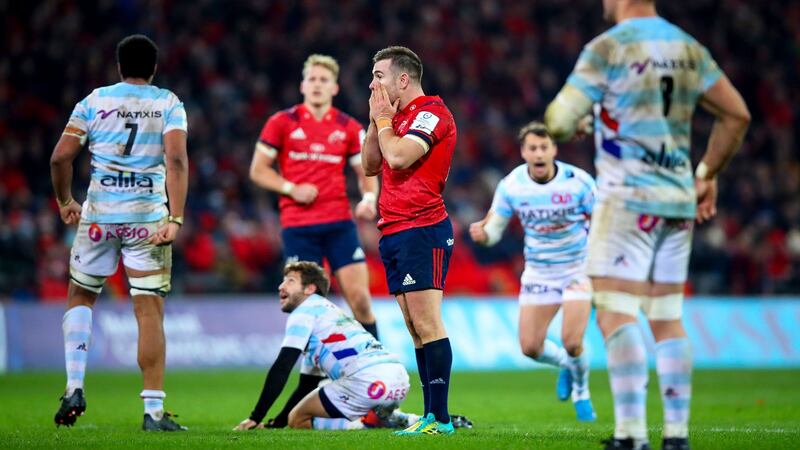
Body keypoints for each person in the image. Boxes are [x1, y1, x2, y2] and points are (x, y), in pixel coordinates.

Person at [544, 1, 751, 449]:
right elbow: (737, 114)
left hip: (628, 201)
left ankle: (632, 434)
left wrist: (584, 117)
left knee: (618, 312)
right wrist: (706, 174)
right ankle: (676, 436)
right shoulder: (689, 48)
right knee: (667, 318)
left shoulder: (608, 47)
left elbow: (557, 122)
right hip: (677, 201)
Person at [50, 34, 189, 431]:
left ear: (118, 67)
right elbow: (176, 159)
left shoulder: (94, 101)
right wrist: (175, 218)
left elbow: (60, 156)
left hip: (99, 218)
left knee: (80, 294)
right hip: (147, 221)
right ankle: (154, 413)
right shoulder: (167, 103)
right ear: (155, 69)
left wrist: (65, 201)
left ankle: (74, 386)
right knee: (148, 308)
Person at [469, 121, 597, 422]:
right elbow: (495, 229)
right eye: (532, 148)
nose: (538, 153)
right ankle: (567, 365)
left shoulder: (579, 182)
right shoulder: (512, 185)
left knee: (573, 340)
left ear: (554, 149)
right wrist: (484, 234)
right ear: (524, 152)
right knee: (530, 347)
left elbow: (602, 222)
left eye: (544, 147)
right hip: (539, 273)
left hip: (576, 269)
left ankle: (582, 390)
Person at [249, 54, 380, 339]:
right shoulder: (282, 122)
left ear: (335, 88)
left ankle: (376, 366)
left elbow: (366, 172)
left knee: (360, 299)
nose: (317, 85)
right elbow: (258, 170)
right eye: (312, 79)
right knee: (305, 308)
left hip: (339, 224)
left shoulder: (348, 127)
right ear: (302, 85)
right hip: (298, 227)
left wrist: (369, 200)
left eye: (324, 80)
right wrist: (291, 189)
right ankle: (317, 375)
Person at [362, 46, 457, 436]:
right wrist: (375, 121)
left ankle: (443, 419)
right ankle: (430, 415)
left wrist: (384, 122)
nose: (372, 83)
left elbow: (398, 158)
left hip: (423, 228)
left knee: (428, 323)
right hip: (394, 229)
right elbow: (371, 164)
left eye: (379, 75)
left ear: (403, 79)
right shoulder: (392, 118)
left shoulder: (432, 113)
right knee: (413, 327)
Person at [233, 261, 412, 431]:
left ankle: (364, 424)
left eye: (290, 281)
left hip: (366, 381)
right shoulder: (329, 314)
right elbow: (307, 385)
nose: (281, 286)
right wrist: (277, 423)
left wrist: (256, 417)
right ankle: (396, 418)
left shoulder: (303, 312)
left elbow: (283, 366)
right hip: (398, 379)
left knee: (297, 419)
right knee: (309, 402)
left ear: (310, 289)